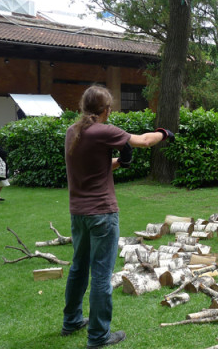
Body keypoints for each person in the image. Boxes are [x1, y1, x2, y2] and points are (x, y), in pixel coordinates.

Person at [62, 85, 173, 348]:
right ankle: (99, 336)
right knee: (101, 274)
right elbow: (144, 141)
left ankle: (72, 321)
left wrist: (120, 162)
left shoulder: (73, 131)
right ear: (106, 109)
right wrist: (163, 133)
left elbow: (94, 166)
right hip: (102, 213)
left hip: (79, 214)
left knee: (78, 268)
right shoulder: (104, 130)